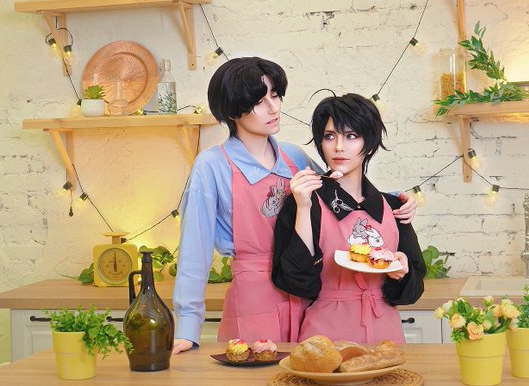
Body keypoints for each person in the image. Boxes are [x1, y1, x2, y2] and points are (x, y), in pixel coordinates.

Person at [172, 58, 417, 354]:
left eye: (275, 96)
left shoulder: (294, 157)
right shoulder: (212, 166)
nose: (274, 108)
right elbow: (193, 252)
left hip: (306, 293)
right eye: (260, 102)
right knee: (257, 376)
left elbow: (340, 188)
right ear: (233, 110)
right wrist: (188, 327)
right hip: (255, 296)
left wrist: (395, 201)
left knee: (305, 375)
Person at [271, 93, 426, 344]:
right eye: (329, 136)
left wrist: (402, 272)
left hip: (386, 339)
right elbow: (296, 283)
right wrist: (303, 206)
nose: (339, 147)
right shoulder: (304, 201)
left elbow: (412, 292)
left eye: (351, 136)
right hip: (324, 340)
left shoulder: (395, 207)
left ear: (370, 144)